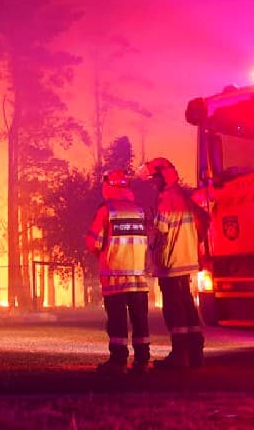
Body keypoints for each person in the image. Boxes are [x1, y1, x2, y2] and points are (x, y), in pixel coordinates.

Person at [85, 167, 153, 375]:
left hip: (114, 276)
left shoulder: (107, 210)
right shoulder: (140, 210)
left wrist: (102, 256)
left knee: (117, 320)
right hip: (138, 278)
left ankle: (118, 360)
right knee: (140, 319)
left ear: (108, 186)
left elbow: (92, 241)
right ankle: (142, 360)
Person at [142, 157, 207, 369]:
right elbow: (203, 218)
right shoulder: (183, 196)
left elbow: (160, 228)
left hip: (171, 262)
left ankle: (180, 356)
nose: (153, 183)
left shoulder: (167, 199)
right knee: (187, 306)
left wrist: (149, 224)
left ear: (163, 176)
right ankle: (195, 352)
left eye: (154, 179)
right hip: (186, 260)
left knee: (174, 308)